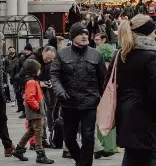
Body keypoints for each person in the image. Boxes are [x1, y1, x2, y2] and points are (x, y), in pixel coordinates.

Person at [50, 22, 108, 166]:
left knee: (88, 136)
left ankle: (85, 164)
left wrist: (106, 102)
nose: (84, 36)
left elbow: (103, 80)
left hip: (90, 101)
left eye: (86, 34)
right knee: (69, 138)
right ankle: (80, 161)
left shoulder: (96, 55)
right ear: (73, 36)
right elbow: (54, 75)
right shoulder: (62, 53)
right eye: (80, 34)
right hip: (69, 101)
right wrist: (60, 91)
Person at [109, 14, 156, 166]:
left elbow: (108, 85)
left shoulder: (120, 55)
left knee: (132, 155)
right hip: (148, 117)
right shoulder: (151, 56)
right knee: (149, 157)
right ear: (149, 33)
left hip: (125, 115)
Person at [11, 59, 54, 164]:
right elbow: (29, 97)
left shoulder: (33, 81)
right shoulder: (31, 82)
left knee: (31, 131)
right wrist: (37, 107)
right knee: (39, 132)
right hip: (35, 111)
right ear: (34, 71)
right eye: (39, 69)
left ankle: (19, 150)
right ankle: (40, 154)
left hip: (33, 111)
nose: (40, 71)